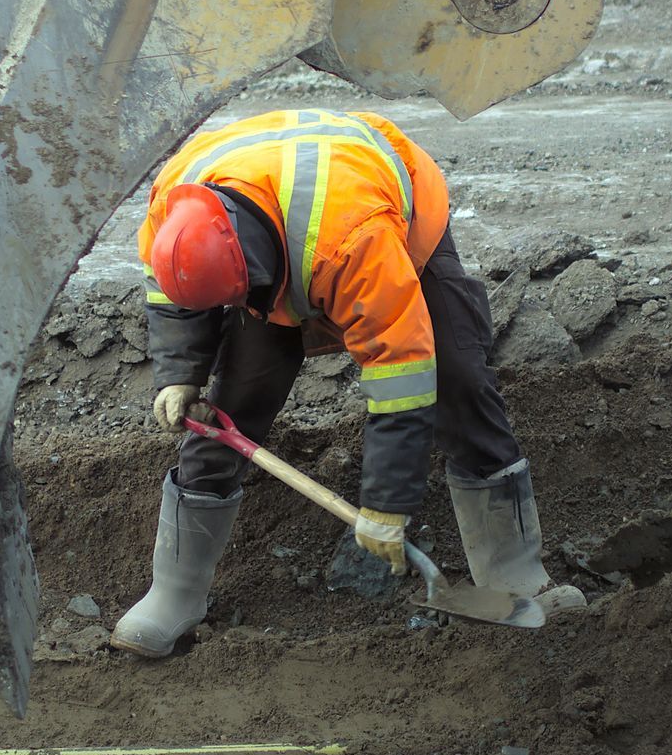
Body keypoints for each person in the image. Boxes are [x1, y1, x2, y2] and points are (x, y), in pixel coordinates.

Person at [110, 109, 585, 657]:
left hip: (385, 216)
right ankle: (174, 592)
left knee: (456, 377)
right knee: (237, 398)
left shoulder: (355, 242)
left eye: (240, 299)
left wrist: (387, 506)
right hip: (267, 206)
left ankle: (513, 570)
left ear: (259, 271)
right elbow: (170, 293)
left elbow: (401, 374)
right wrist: (179, 375)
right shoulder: (173, 214)